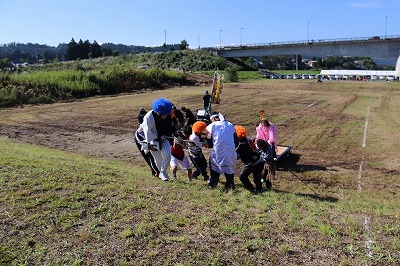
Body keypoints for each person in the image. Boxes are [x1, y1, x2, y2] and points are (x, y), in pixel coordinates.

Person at [141, 98, 174, 181]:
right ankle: (163, 174)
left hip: (164, 137)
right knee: (157, 158)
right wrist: (156, 138)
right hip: (152, 139)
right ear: (158, 111)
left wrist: (174, 135)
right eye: (163, 114)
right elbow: (147, 131)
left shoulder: (167, 115)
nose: (165, 116)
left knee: (167, 154)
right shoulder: (148, 117)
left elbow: (170, 127)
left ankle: (163, 171)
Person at [206, 113, 237, 190]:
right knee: (229, 168)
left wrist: (210, 145)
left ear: (214, 119)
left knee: (214, 167)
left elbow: (209, 141)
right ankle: (230, 185)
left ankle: (213, 183)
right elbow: (236, 140)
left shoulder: (211, 126)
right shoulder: (230, 125)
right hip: (230, 151)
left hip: (217, 151)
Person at [235, 125, 264, 193]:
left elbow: (236, 156)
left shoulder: (242, 145)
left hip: (256, 163)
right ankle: (251, 188)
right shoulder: (247, 139)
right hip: (251, 162)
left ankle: (259, 190)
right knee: (242, 176)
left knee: (257, 179)